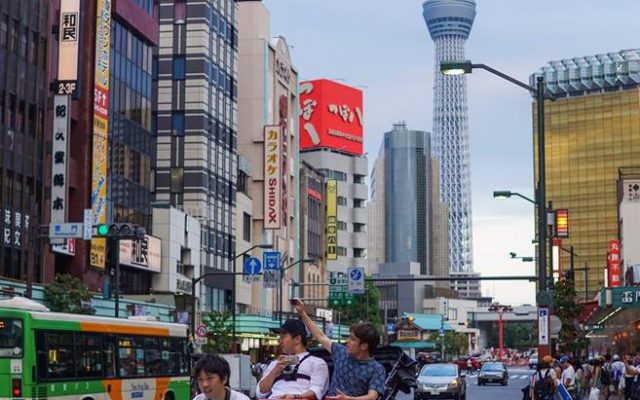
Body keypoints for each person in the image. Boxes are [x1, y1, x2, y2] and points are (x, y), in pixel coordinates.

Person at [292, 298, 386, 400]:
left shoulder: (376, 369)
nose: (347, 341)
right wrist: (302, 312)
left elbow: (372, 397)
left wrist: (348, 399)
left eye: (353, 339)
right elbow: (320, 336)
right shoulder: (341, 352)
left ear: (364, 346)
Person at [256, 319, 329, 400]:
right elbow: (260, 393)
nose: (279, 341)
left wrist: (294, 397)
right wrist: (275, 371)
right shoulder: (275, 364)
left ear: (297, 339)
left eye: (283, 336)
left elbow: (316, 393)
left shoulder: (317, 363)